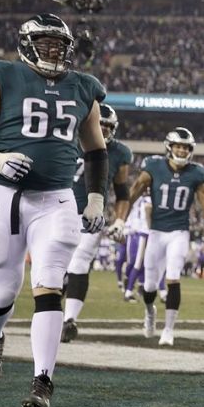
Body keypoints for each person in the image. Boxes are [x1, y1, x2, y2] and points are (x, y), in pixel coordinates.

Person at [0, 13, 108, 407]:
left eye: (60, 44)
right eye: (46, 43)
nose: (55, 50)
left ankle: (43, 380)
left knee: (50, 280)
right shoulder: (4, 76)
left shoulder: (83, 87)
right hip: (6, 196)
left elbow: (96, 150)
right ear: (26, 45)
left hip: (57, 199)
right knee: (3, 290)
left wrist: (96, 197)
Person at [126, 127, 204, 346]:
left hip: (179, 232)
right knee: (148, 286)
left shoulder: (197, 173)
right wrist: (120, 220)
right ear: (169, 147)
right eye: (178, 146)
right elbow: (133, 193)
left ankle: (168, 329)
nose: (182, 151)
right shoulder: (154, 167)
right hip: (156, 233)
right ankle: (149, 312)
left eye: (185, 147)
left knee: (173, 276)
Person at [61, 104, 133, 343]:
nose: (102, 129)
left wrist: (120, 220)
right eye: (99, 123)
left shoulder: (119, 153)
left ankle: (69, 320)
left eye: (107, 126)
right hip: (56, 209)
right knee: (56, 267)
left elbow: (122, 192)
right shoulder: (67, 138)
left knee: (80, 261)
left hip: (90, 214)